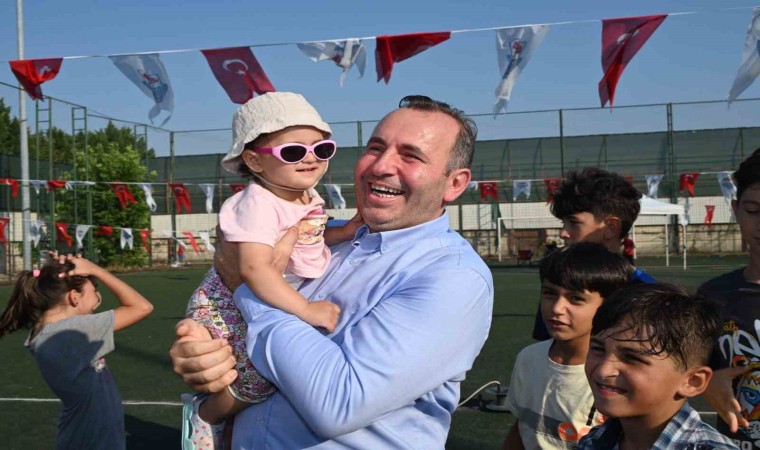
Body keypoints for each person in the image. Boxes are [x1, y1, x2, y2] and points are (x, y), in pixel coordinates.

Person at [170, 94, 494, 449]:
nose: (381, 166)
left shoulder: (453, 277)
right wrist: (204, 358)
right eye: (375, 148)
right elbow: (232, 327)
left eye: (411, 155)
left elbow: (339, 404)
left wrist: (244, 288)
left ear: (455, 184)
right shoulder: (316, 234)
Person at [181, 92, 361, 449]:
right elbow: (253, 268)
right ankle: (205, 415)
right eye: (293, 151)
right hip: (225, 304)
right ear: (254, 160)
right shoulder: (259, 203)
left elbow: (309, 236)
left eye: (322, 148)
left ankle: (228, 425)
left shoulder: (302, 194)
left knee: (260, 372)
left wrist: (343, 233)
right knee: (257, 382)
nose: (311, 157)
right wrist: (306, 309)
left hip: (254, 299)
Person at [0, 254, 154, 450]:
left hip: (80, 434)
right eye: (94, 291)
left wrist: (67, 270)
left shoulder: (48, 330)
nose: (98, 298)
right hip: (93, 440)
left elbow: (88, 303)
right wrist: (96, 270)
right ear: (74, 297)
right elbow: (142, 307)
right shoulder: (71, 331)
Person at [501, 242, 633, 450]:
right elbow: (522, 425)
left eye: (576, 298)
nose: (557, 308)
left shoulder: (614, 376)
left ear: (608, 305)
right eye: (549, 293)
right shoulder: (528, 358)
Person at [577, 283, 737, 449]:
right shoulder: (595, 440)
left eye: (631, 358)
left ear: (692, 381)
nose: (603, 370)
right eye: (598, 349)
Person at [532, 167, 655, 341]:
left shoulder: (647, 293)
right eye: (563, 223)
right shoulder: (560, 280)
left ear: (610, 228)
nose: (563, 233)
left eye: (574, 223)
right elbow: (547, 346)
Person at [699, 148, 760, 449]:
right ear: (736, 210)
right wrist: (708, 382)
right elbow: (687, 370)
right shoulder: (713, 296)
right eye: (753, 210)